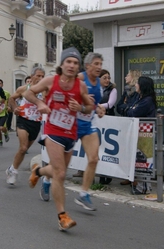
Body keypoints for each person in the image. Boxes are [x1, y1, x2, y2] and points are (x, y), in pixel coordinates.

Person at [25, 47, 94, 231]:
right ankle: (62, 216)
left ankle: (38, 171)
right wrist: (40, 103)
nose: (71, 65)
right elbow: (28, 93)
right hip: (52, 131)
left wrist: (80, 108)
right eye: (68, 62)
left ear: (78, 67)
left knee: (58, 171)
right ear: (62, 64)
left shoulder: (80, 86)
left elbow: (89, 106)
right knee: (61, 174)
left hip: (70, 134)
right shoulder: (50, 81)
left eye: (75, 63)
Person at [69, 52, 106, 211]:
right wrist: (80, 104)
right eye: (96, 64)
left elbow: (94, 102)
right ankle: (47, 179)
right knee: (61, 164)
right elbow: (67, 94)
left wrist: (98, 109)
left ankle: (83, 194)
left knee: (93, 159)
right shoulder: (80, 78)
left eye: (100, 64)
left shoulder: (98, 83)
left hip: (88, 124)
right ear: (88, 66)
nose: (99, 67)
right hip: (72, 124)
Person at [5, 67, 45, 187]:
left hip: (36, 123)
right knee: (23, 148)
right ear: (32, 76)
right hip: (23, 120)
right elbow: (11, 98)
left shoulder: (45, 91)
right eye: (38, 76)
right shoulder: (24, 89)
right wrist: (15, 108)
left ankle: (12, 168)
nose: (40, 79)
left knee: (24, 149)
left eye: (43, 76)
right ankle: (14, 172)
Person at [125, 76, 157, 194]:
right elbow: (129, 108)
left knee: (143, 160)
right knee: (138, 160)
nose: (136, 85)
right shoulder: (140, 98)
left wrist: (129, 110)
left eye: (138, 83)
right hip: (138, 134)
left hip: (145, 135)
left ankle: (144, 187)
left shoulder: (147, 101)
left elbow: (133, 112)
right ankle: (140, 185)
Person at [97, 69, 117, 185]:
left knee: (108, 148)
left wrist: (97, 106)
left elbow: (110, 104)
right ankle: (100, 174)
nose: (107, 80)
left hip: (108, 118)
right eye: (104, 78)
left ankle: (108, 174)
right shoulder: (96, 89)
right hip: (98, 119)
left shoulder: (112, 89)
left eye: (108, 78)